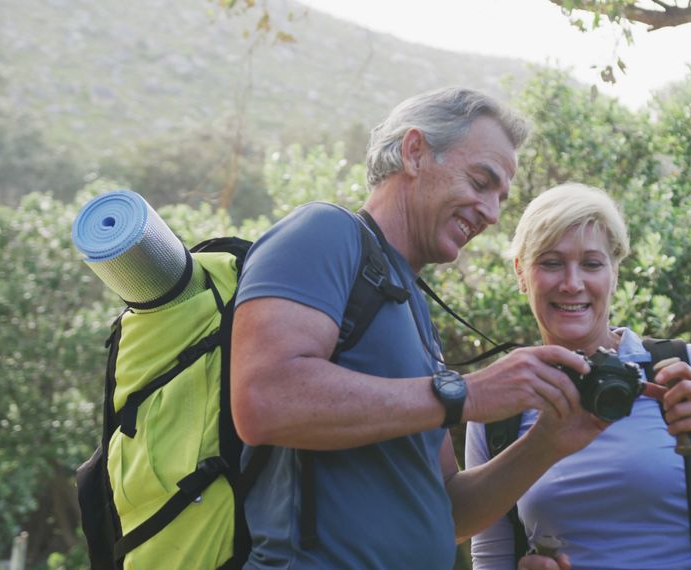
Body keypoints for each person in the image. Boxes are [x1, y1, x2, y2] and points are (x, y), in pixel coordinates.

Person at [230, 89, 601, 568]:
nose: (491, 212)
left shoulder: (411, 308)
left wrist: (548, 442)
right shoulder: (324, 232)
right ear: (414, 152)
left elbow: (449, 510)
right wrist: (463, 395)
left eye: (500, 197)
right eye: (481, 181)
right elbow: (264, 399)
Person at [465, 183, 691, 570]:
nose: (572, 283)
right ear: (521, 272)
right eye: (551, 262)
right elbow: (489, 560)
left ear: (614, 272)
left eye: (591, 264)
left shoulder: (685, 369)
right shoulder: (500, 403)